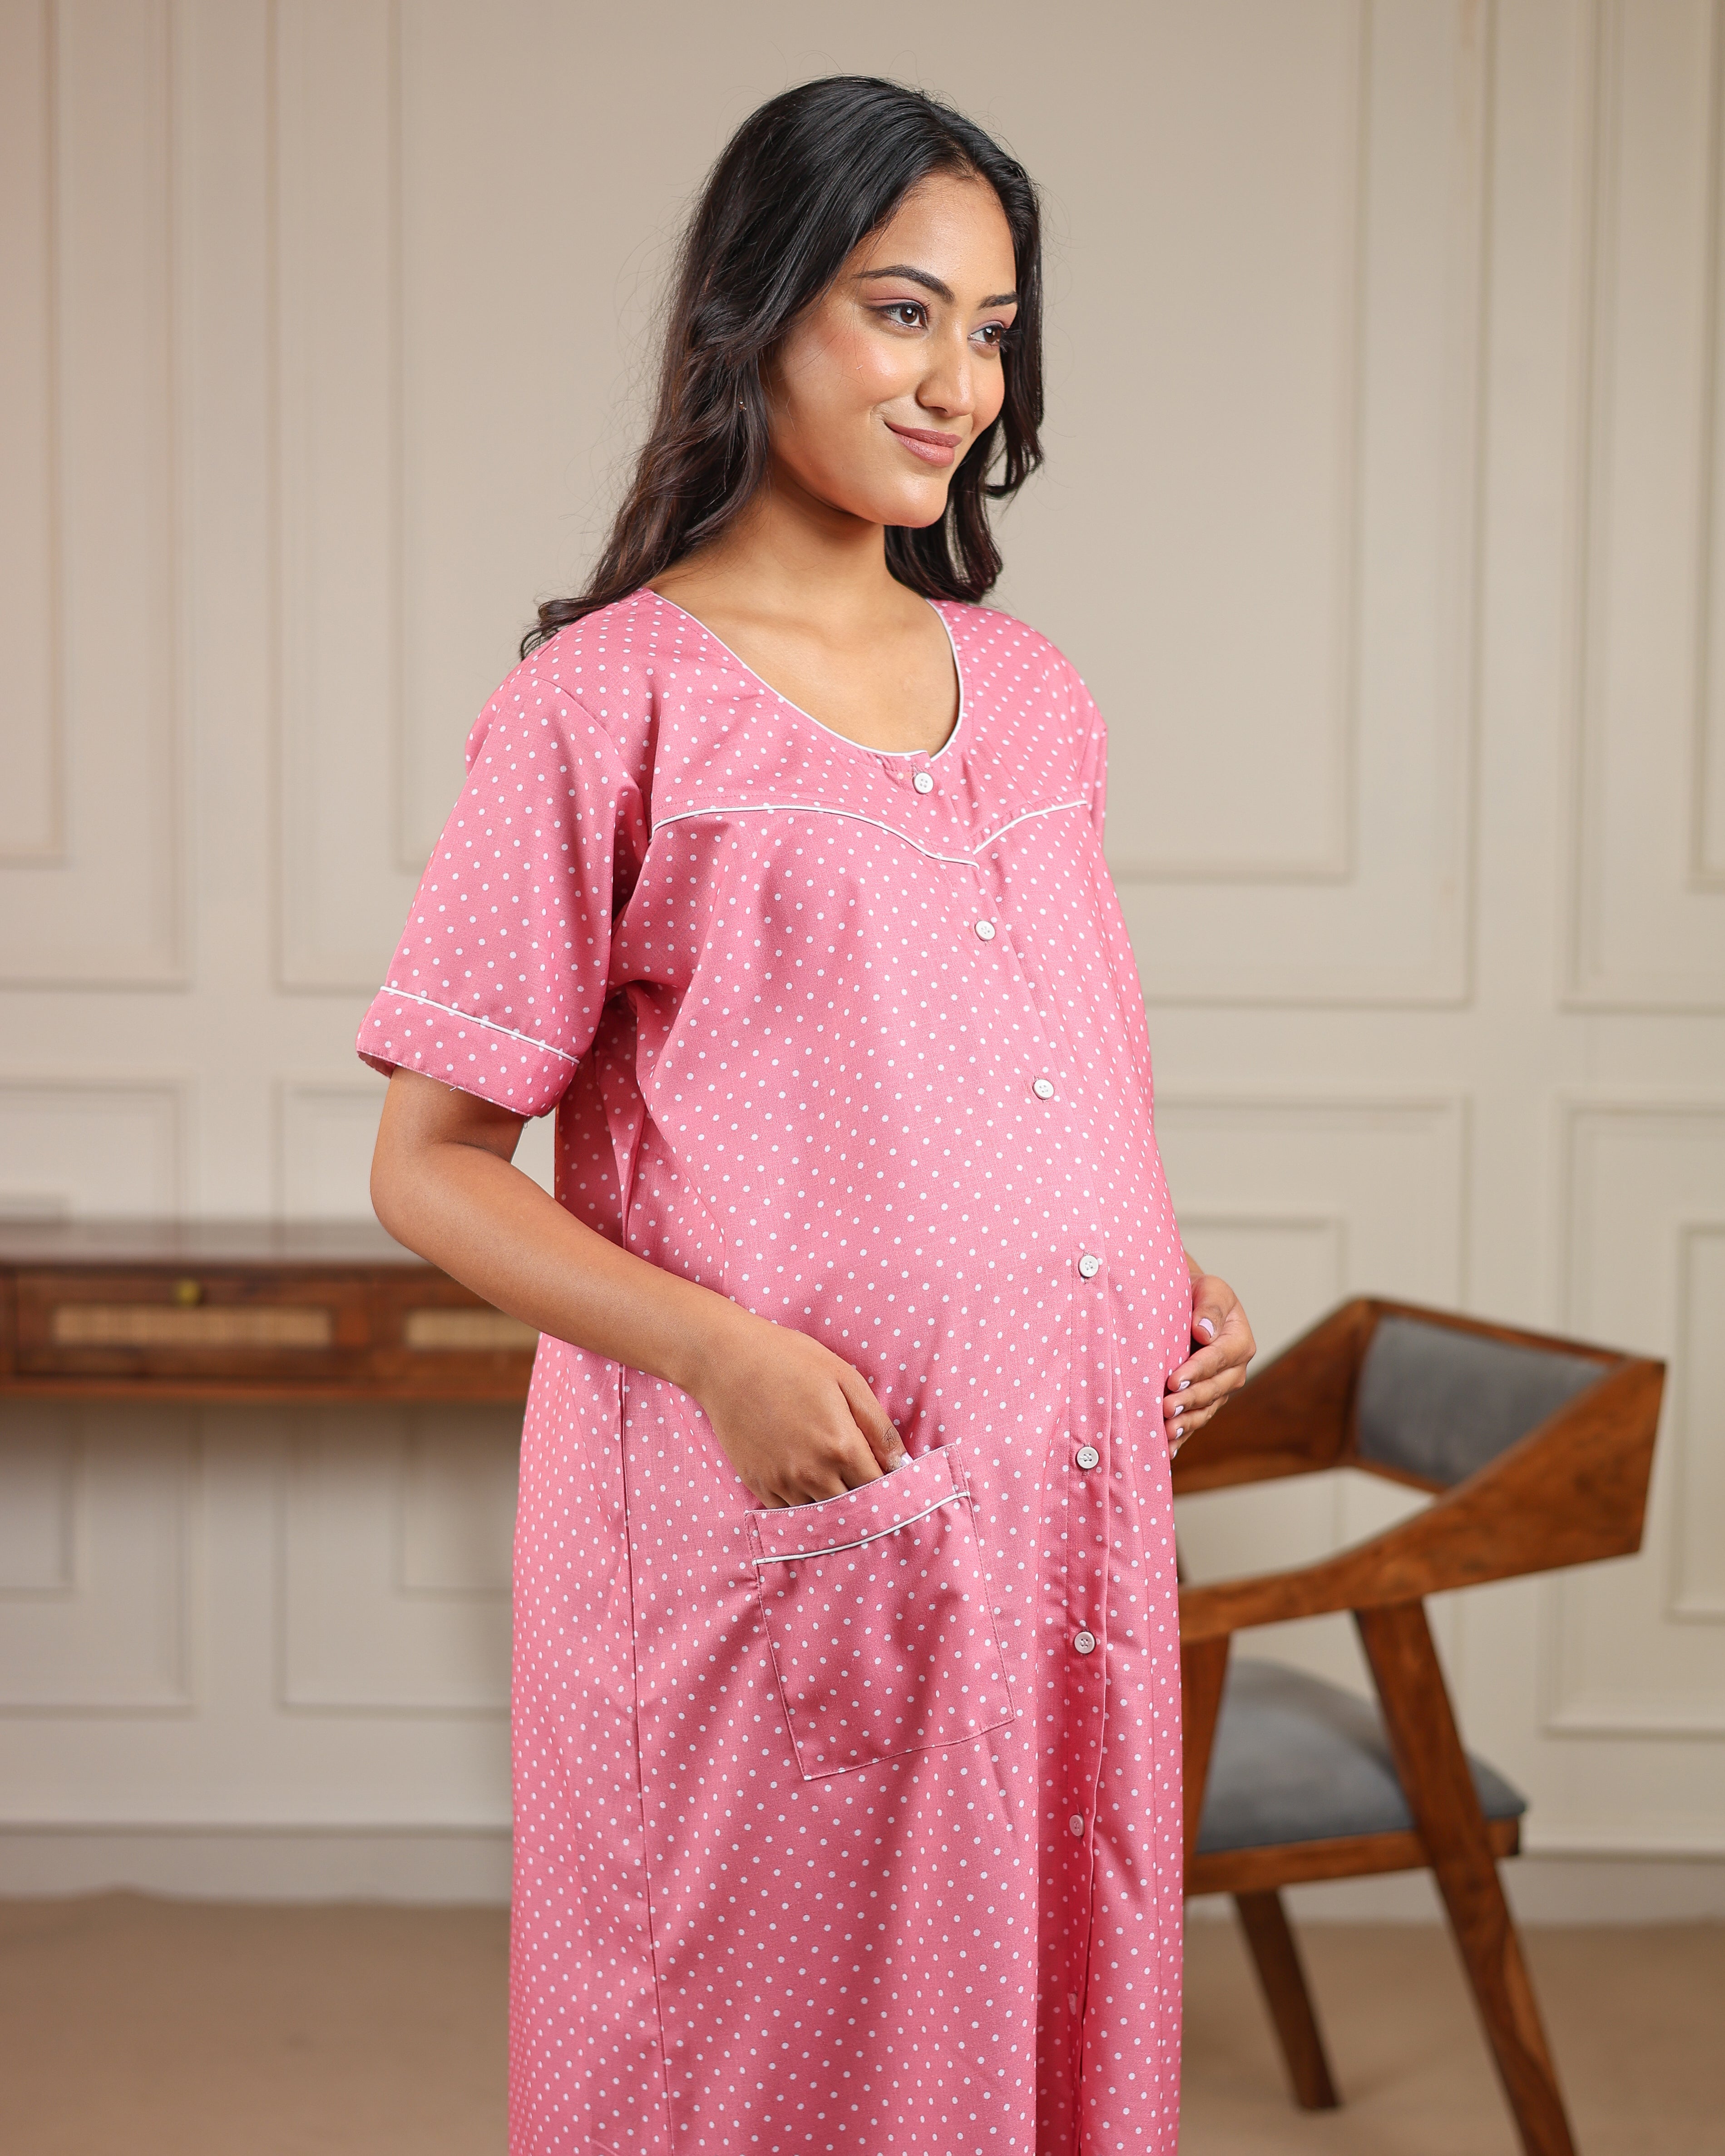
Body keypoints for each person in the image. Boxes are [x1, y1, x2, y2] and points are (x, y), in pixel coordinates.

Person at [364, 74, 1255, 2156]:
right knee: (756, 2058)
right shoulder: (601, 704)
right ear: (756, 312)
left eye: (991, 328)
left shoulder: (1032, 692)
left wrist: (1142, 1265)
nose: (956, 381)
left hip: (1055, 1499)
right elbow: (427, 1168)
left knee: (1036, 2013)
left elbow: (1025, 1065)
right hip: (790, 1510)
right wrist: (719, 1355)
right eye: (900, 310)